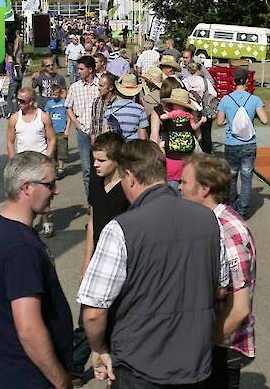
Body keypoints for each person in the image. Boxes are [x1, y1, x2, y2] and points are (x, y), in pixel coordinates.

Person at [76, 140, 230, 388]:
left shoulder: (120, 229)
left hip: (139, 367)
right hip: (195, 364)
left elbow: (93, 311)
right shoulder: (210, 220)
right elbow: (221, 288)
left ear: (130, 177)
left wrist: (99, 348)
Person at [0, 152, 73, 389]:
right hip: (31, 377)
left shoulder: (1, 230)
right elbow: (29, 329)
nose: (56, 190)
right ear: (27, 187)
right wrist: (61, 381)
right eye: (50, 184)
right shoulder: (20, 248)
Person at [180, 155, 257, 389]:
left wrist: (205, 343)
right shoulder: (206, 222)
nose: (179, 187)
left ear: (204, 189)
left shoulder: (228, 231)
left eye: (184, 182)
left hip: (221, 349)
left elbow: (239, 307)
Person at [70, 132, 130, 383]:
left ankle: (115, 368)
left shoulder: (128, 188)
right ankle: (73, 369)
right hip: (98, 259)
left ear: (116, 160)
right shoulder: (96, 181)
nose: (95, 165)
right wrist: (87, 261)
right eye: (94, 160)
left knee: (116, 318)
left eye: (101, 161)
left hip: (121, 262)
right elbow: (92, 221)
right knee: (87, 315)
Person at [217, 67, 268, 217]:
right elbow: (265, 120)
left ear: (233, 81)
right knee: (246, 177)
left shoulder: (226, 99)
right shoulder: (254, 99)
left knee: (232, 176)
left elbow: (219, 122)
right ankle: (243, 209)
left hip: (231, 143)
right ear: (247, 81)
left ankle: (232, 206)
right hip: (249, 143)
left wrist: (229, 118)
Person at [8, 87, 58, 238]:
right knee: (24, 195)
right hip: (23, 164)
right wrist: (13, 160)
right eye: (18, 100)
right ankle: (26, 224)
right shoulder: (14, 118)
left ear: (31, 101)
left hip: (41, 162)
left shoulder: (43, 117)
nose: (19, 103)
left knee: (43, 193)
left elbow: (52, 139)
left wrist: (47, 158)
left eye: (22, 101)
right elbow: (10, 142)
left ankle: (46, 221)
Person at [66, 55, 100, 196]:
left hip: (99, 133)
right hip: (83, 132)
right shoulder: (75, 87)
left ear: (90, 70)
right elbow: (68, 107)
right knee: (86, 169)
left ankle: (102, 200)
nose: (78, 71)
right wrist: (77, 124)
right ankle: (90, 201)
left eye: (81, 69)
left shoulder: (101, 85)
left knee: (101, 167)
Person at [160, 88, 205, 189]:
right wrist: (201, 121)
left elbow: (162, 117)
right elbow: (194, 128)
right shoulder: (189, 115)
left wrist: (166, 112)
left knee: (172, 186)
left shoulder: (173, 114)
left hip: (172, 153)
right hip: (186, 152)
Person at [105, 74, 150, 141]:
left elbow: (105, 132)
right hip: (133, 147)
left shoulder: (110, 109)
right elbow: (143, 137)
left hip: (116, 146)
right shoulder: (140, 109)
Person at [45, 84, 70, 177]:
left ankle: (60, 168)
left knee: (62, 150)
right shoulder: (49, 104)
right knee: (53, 150)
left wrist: (67, 128)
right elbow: (46, 117)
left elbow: (69, 116)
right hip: (52, 131)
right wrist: (45, 130)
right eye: (53, 94)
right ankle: (54, 167)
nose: (55, 97)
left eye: (56, 94)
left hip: (62, 130)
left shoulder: (64, 102)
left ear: (60, 93)